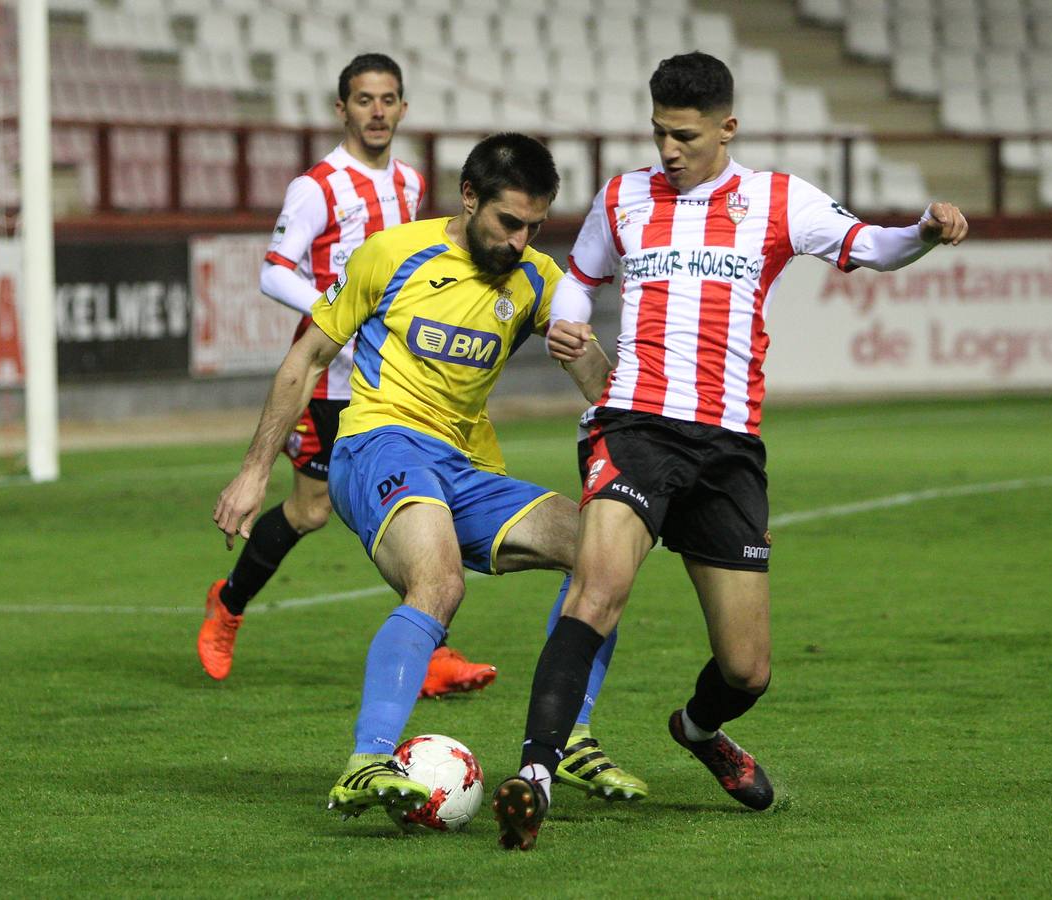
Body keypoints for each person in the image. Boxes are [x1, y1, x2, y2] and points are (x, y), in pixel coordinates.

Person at [491, 51, 968, 850]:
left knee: (748, 670)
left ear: (727, 127)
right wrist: (569, 319)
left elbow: (872, 247)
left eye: (683, 136)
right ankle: (534, 774)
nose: (668, 151)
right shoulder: (624, 196)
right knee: (597, 590)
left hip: (728, 447)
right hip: (634, 426)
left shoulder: (777, 200)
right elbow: (579, 274)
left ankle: (698, 727)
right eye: (658, 133)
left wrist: (923, 230)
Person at [213, 133, 644, 824]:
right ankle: (367, 759)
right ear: (468, 197)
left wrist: (584, 353)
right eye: (508, 223)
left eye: (535, 227)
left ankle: (568, 737)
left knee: (603, 550)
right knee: (439, 583)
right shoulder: (392, 253)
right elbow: (306, 360)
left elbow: (603, 391)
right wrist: (253, 470)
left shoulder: (538, 280)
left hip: (464, 466)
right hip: (378, 444)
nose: (520, 240)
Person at [197, 53, 497, 699]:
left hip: (395, 378)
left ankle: (432, 650)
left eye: (389, 99)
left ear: (404, 108)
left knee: (406, 500)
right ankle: (228, 604)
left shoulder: (412, 185)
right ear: (343, 109)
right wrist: (336, 311)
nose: (378, 111)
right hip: (331, 378)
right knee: (310, 510)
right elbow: (274, 270)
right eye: (365, 99)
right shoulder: (319, 186)